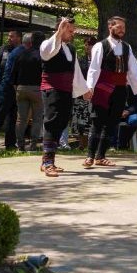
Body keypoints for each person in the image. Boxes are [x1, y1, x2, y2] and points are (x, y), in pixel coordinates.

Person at [84, 17, 137, 168]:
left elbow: (134, 69)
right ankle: (89, 156)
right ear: (110, 27)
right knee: (97, 122)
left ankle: (101, 156)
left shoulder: (127, 47)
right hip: (102, 89)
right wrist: (90, 87)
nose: (122, 30)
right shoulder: (100, 46)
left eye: (123, 28)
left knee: (112, 123)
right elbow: (94, 68)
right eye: (119, 27)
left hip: (120, 90)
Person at [37, 19, 90, 176]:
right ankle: (47, 162)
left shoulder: (71, 49)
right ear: (60, 29)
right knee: (52, 122)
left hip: (66, 90)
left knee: (62, 122)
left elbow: (76, 71)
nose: (73, 34)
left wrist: (84, 89)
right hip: (51, 88)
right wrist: (59, 33)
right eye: (70, 31)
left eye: (73, 31)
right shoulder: (48, 44)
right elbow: (46, 53)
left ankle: (49, 160)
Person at [11, 32, 44, 151]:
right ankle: (33, 144)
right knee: (37, 118)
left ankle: (20, 144)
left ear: (31, 41)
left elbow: (13, 74)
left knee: (21, 118)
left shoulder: (21, 54)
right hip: (37, 89)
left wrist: (17, 88)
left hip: (21, 88)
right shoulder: (42, 56)